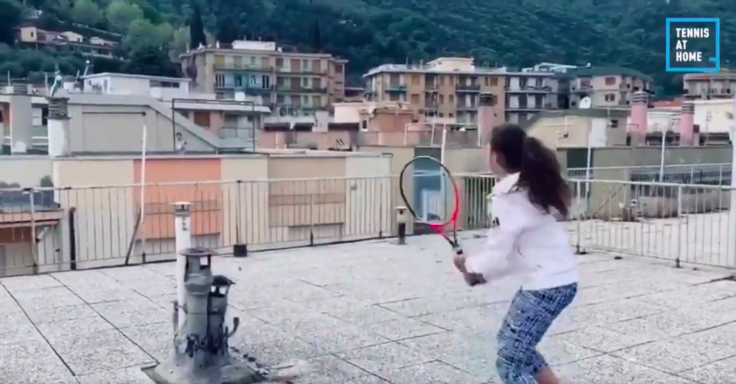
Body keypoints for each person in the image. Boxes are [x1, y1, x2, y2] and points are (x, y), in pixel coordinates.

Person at [453, 123, 579, 384]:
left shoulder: (508, 194)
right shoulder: (530, 185)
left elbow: (498, 250)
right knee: (517, 349)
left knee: (510, 360)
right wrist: (477, 271)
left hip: (547, 285)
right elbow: (514, 253)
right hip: (555, 280)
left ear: (496, 157)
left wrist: (471, 267)